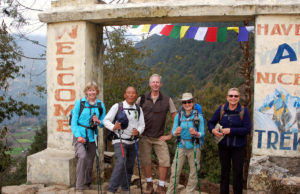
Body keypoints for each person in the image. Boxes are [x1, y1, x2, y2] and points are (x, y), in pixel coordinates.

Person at [136, 74, 177, 194]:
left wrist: (170, 135)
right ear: (149, 84)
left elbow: (176, 117)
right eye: (153, 82)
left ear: (160, 84)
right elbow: (134, 114)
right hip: (144, 136)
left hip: (160, 137)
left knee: (165, 161)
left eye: (157, 82)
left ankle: (161, 186)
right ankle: (149, 184)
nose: (155, 84)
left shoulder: (167, 100)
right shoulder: (142, 99)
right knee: (146, 161)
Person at [208, 88, 251, 194]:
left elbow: (247, 129)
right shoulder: (221, 109)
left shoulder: (243, 111)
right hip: (223, 146)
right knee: (224, 172)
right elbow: (211, 122)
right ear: (227, 97)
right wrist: (213, 130)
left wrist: (230, 131)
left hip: (238, 147)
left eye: (236, 96)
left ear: (239, 98)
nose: (233, 98)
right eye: (231, 96)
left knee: (237, 173)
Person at [104, 86, 145, 194]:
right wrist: (113, 127)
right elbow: (106, 120)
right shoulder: (117, 106)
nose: (131, 95)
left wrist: (138, 132)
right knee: (121, 162)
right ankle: (111, 189)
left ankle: (125, 188)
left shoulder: (138, 109)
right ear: (125, 95)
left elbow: (142, 124)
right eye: (129, 93)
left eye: (133, 93)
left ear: (136, 95)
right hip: (120, 139)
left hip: (133, 141)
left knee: (130, 165)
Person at [71, 81, 106, 192]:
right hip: (80, 135)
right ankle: (79, 187)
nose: (91, 92)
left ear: (97, 91)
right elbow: (73, 122)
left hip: (92, 135)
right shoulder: (79, 104)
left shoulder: (100, 105)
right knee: (82, 157)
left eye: (93, 90)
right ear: (86, 91)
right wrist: (78, 136)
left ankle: (87, 182)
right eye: (89, 90)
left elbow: (104, 122)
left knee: (90, 160)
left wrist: (99, 121)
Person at [166, 93, 205, 194]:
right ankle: (170, 192)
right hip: (181, 145)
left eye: (189, 102)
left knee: (193, 172)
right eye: (185, 102)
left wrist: (196, 133)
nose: (187, 104)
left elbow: (202, 133)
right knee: (175, 171)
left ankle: (189, 192)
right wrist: (176, 132)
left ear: (193, 103)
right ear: (182, 103)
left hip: (194, 146)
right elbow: (174, 131)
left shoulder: (199, 117)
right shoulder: (178, 116)